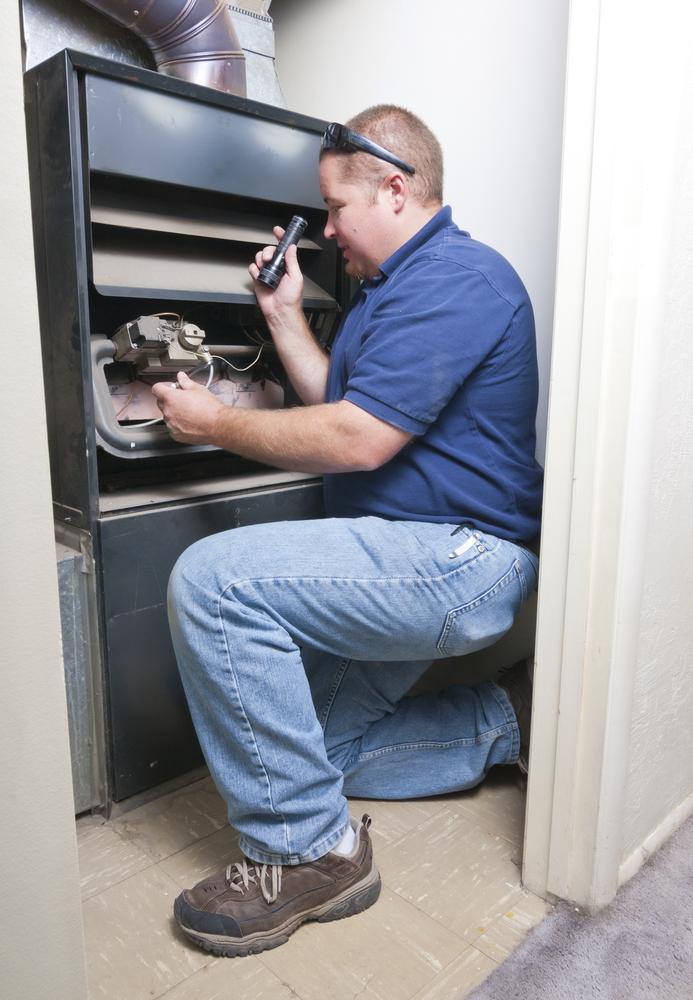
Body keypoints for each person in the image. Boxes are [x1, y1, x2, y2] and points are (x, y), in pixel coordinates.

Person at [151, 105, 543, 958]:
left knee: (213, 581)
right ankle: (508, 719)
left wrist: (216, 422)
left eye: (334, 209)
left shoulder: (459, 279)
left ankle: (306, 854)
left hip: (455, 559)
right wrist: (284, 314)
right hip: (407, 554)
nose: (326, 230)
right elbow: (342, 399)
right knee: (312, 752)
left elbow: (357, 438)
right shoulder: (387, 293)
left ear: (395, 190)